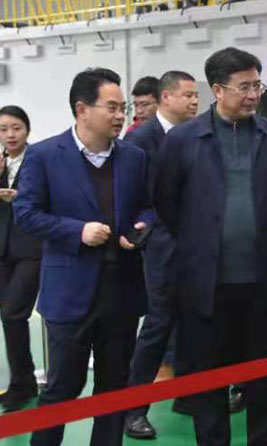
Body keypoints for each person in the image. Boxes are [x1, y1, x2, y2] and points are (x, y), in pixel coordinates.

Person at [153, 47, 267, 446]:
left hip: (263, 284)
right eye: (243, 87)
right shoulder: (184, 140)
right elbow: (166, 203)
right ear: (217, 90)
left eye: (257, 86)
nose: (253, 95)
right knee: (208, 379)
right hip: (206, 286)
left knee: (266, 377)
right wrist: (201, 242)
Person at [14, 68, 153, 446]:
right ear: (82, 109)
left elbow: (148, 206)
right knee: (62, 387)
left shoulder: (134, 157)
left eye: (123, 108)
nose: (121, 115)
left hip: (121, 291)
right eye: (112, 107)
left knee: (114, 387)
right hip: (70, 290)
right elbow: (26, 214)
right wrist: (77, 231)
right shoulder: (45, 156)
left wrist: (141, 226)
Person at [123, 70, 199, 439]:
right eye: (188, 95)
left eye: (196, 95)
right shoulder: (140, 140)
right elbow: (132, 194)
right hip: (161, 245)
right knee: (158, 326)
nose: (195, 101)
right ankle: (133, 410)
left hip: (196, 244)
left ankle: (187, 394)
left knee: (193, 321)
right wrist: (144, 229)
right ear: (165, 98)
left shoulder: (197, 134)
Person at [0, 105, 42, 413]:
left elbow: (50, 199)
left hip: (32, 249)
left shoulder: (39, 159)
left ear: (27, 129)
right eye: (3, 130)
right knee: (8, 316)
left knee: (14, 314)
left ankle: (21, 384)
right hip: (3, 250)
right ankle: (24, 381)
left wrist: (20, 198)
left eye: (16, 128)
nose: (10, 135)